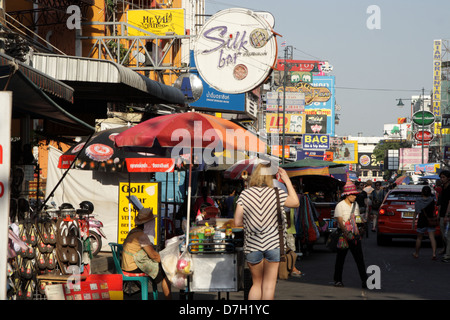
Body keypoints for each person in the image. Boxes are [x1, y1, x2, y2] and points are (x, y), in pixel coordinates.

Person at [234, 164, 300, 300]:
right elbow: (295, 203)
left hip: (252, 245)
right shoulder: (276, 192)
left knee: (256, 284)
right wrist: (286, 179)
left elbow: (237, 222)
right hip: (273, 244)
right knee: (269, 285)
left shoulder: (245, 194)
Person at [122, 208, 172, 299]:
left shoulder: (134, 231)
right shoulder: (141, 236)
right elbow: (154, 256)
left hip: (127, 264)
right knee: (165, 272)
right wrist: (166, 260)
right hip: (133, 267)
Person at [333, 180, 368, 288]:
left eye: (355, 195)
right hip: (344, 236)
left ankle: (364, 281)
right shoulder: (340, 205)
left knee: (360, 259)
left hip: (354, 235)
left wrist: (361, 226)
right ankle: (338, 280)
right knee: (340, 259)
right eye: (353, 195)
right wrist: (347, 234)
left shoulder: (355, 204)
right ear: (347, 195)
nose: (355, 197)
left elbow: (356, 218)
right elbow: (340, 222)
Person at [412, 185, 437, 260]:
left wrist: (413, 222)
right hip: (430, 220)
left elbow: (416, 212)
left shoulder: (418, 201)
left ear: (422, 192)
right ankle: (434, 253)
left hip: (422, 220)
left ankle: (416, 253)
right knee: (432, 237)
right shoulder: (432, 200)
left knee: (419, 238)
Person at [438, 170, 450, 261]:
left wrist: (447, 214)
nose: (442, 179)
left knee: (448, 235)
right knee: (443, 235)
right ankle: (445, 249)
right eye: (441, 177)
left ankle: (448, 255)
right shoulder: (443, 187)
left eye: (443, 177)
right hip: (442, 214)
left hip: (447, 215)